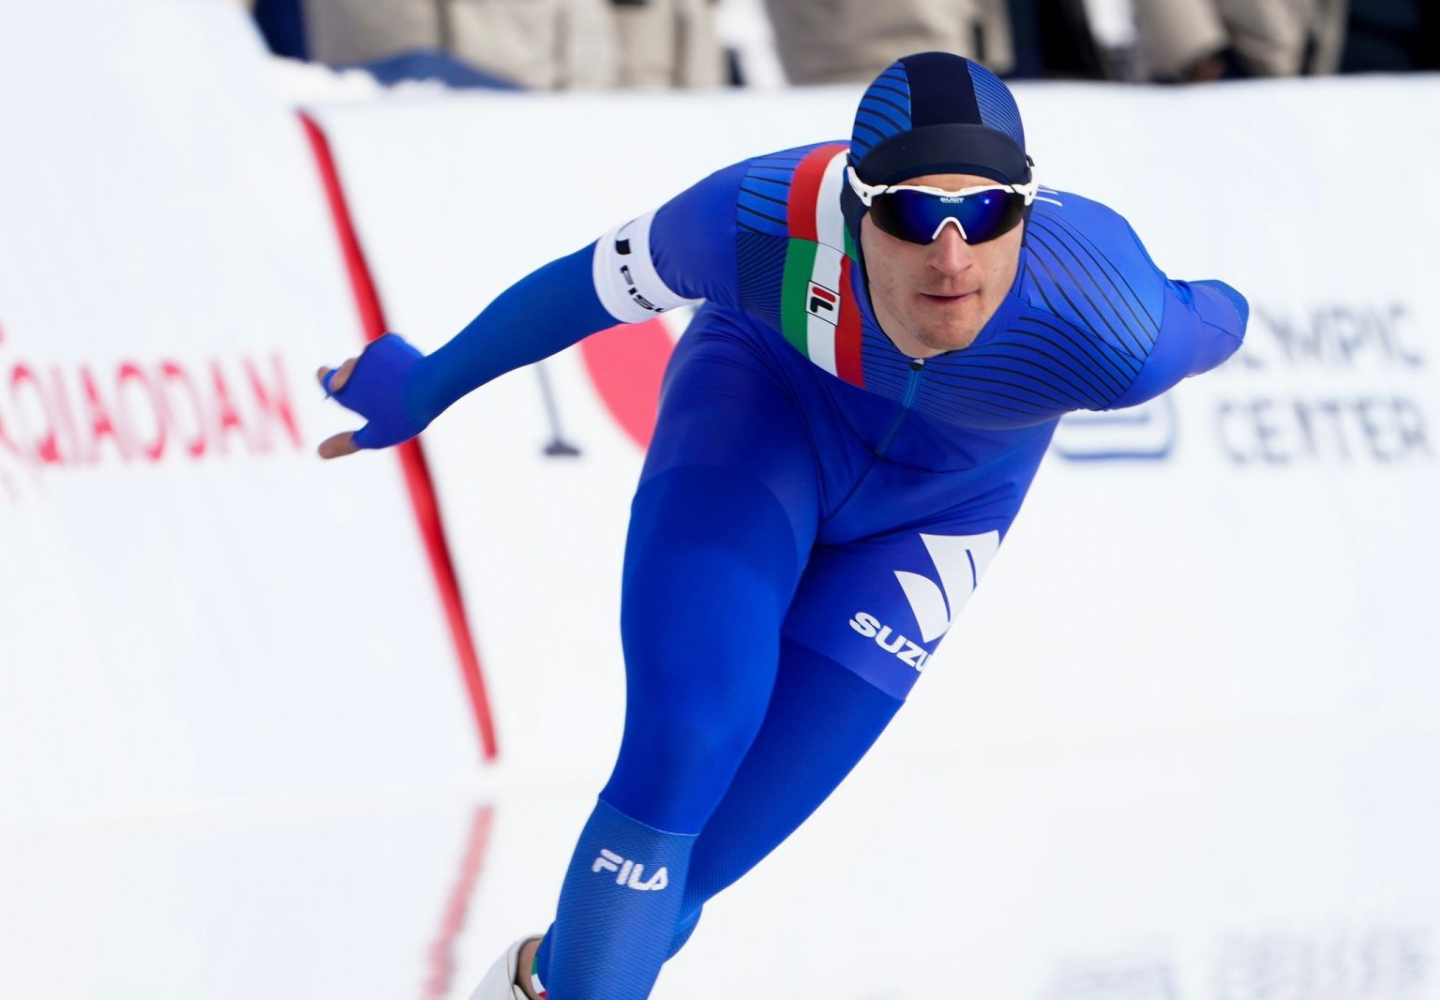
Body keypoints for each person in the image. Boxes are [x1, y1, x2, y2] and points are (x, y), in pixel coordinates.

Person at [316, 52, 1248, 1000]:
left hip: (939, 515)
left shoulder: (1114, 321)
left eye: (988, 213)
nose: (952, 257)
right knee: (688, 740)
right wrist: (426, 386)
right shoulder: (753, 218)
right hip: (760, 421)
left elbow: (1224, 316)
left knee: (692, 873)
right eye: (912, 214)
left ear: (1027, 207)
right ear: (855, 204)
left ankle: (536, 981)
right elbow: (578, 294)